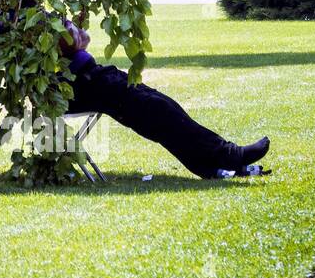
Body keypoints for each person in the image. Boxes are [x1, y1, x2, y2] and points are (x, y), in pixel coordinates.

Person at [60, 18, 270, 179]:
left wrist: (71, 30)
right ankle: (230, 155)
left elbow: (82, 39)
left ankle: (212, 166)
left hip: (94, 75)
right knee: (153, 109)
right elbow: (70, 43)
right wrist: (69, 32)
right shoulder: (29, 13)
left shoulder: (43, 10)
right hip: (75, 88)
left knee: (161, 102)